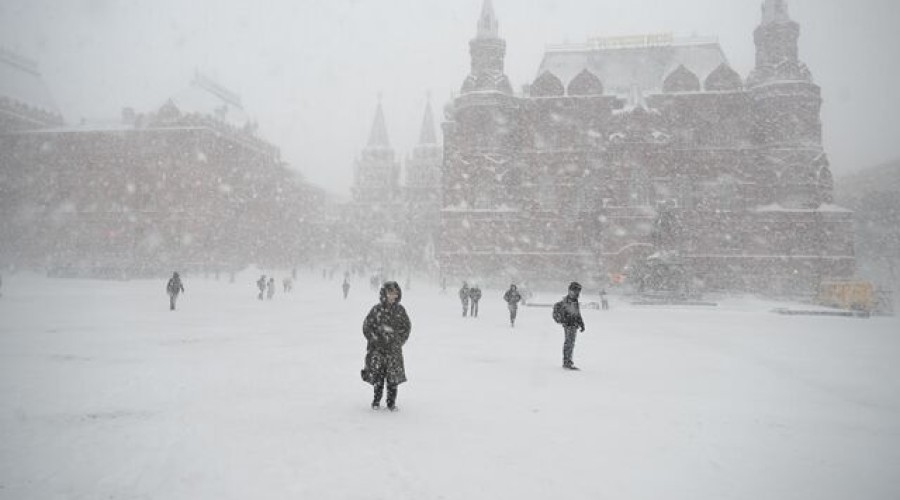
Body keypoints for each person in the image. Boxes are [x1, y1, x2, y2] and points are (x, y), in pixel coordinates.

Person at [361, 281, 411, 411]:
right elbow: (367, 326)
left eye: (395, 293)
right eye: (390, 292)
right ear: (384, 293)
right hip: (378, 350)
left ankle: (391, 403)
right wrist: (375, 339)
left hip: (393, 351)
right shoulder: (376, 310)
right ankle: (376, 401)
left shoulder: (400, 310)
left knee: (393, 379)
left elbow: (406, 328)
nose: (393, 295)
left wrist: (398, 341)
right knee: (378, 377)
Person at [552, 282, 586, 370]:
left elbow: (577, 313)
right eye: (576, 291)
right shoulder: (566, 301)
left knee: (570, 343)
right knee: (569, 343)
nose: (577, 293)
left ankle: (567, 361)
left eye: (578, 291)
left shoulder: (575, 301)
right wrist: (565, 320)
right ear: (570, 291)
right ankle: (567, 362)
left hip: (573, 325)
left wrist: (581, 323)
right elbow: (569, 314)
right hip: (569, 325)